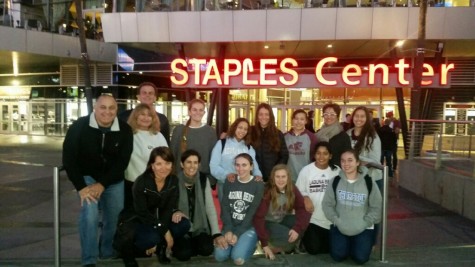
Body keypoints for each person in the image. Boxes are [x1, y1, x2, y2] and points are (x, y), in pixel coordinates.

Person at [62, 93, 133, 267]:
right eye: (103, 107)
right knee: (90, 215)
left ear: (117, 109)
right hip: (86, 177)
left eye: (111, 108)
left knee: (113, 219)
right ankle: (89, 260)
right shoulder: (79, 126)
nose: (107, 112)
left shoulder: (124, 130)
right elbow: (69, 158)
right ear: (95, 108)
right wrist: (81, 187)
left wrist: (103, 184)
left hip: (113, 180)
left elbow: (122, 162)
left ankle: (106, 251)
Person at [120, 147, 190, 267]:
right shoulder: (141, 182)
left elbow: (169, 209)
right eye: (159, 164)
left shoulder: (173, 181)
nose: (164, 168)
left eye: (167, 163)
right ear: (152, 165)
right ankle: (137, 250)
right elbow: (142, 213)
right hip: (141, 220)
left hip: (160, 219)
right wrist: (165, 232)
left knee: (183, 224)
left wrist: (163, 229)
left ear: (172, 164)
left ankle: (160, 246)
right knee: (151, 238)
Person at [322, 149, 382, 265]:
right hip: (341, 226)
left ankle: (357, 245)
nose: (346, 164)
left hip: (362, 227)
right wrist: (336, 220)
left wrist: (366, 222)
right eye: (343, 161)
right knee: (337, 256)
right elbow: (327, 204)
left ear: (357, 162)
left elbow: (376, 206)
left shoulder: (368, 182)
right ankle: (347, 245)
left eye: (350, 160)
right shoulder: (335, 181)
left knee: (361, 258)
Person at [170, 149, 226, 261]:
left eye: (195, 162)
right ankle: (183, 245)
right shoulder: (173, 180)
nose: (192, 166)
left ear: (199, 165)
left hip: (199, 228)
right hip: (181, 228)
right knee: (184, 254)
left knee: (207, 250)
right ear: (182, 164)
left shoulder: (203, 180)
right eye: (188, 162)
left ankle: (190, 245)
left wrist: (216, 233)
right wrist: (175, 210)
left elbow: (210, 207)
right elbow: (168, 205)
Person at [214, 153, 264, 265]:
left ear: (251, 167)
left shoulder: (258, 184)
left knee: (237, 257)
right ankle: (237, 245)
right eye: (237, 165)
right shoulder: (230, 181)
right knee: (219, 256)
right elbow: (225, 207)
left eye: (244, 165)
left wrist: (237, 233)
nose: (240, 169)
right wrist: (228, 230)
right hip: (231, 224)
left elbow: (253, 212)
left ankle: (250, 244)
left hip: (248, 227)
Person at [253, 164, 311, 260]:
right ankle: (273, 247)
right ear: (273, 178)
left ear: (288, 177)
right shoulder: (266, 191)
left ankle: (287, 248)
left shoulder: (292, 188)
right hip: (267, 222)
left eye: (283, 176)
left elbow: (302, 209)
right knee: (288, 236)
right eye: (277, 177)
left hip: (281, 219)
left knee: (304, 222)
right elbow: (258, 218)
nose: (281, 180)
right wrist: (264, 243)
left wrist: (297, 228)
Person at [296, 141, 340, 255]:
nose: (321, 157)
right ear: (314, 155)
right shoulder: (306, 171)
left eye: (325, 153)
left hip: (332, 220)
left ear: (330, 156)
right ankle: (303, 240)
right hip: (313, 220)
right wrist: (305, 197)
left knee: (334, 251)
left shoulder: (337, 171)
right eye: (318, 153)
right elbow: (298, 191)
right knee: (314, 249)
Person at [124, 103, 168, 210]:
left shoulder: (158, 135)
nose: (146, 118)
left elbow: (167, 158)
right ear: (135, 117)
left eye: (149, 115)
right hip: (133, 184)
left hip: (156, 184)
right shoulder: (128, 135)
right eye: (142, 114)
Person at [210, 118, 263, 200]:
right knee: (226, 212)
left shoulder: (248, 147)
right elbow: (213, 166)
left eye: (245, 129)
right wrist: (227, 175)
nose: (242, 131)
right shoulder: (221, 144)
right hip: (225, 185)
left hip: (244, 186)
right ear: (234, 127)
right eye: (240, 127)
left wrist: (258, 175)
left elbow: (254, 165)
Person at [170, 99, 217, 184]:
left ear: (204, 113)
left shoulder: (210, 132)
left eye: (201, 110)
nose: (197, 112)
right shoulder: (179, 130)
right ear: (189, 112)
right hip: (181, 178)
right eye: (194, 109)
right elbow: (173, 154)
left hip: (203, 178)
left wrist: (211, 179)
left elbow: (214, 157)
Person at [250, 103, 288, 182]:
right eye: (261, 114)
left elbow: (284, 156)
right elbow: (238, 135)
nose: (264, 117)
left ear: (271, 116)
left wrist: (275, 172)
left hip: (272, 179)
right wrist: (227, 135)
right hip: (254, 177)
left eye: (266, 114)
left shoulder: (278, 134)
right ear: (257, 116)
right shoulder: (250, 131)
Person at [346, 106, 382, 187]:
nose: (359, 119)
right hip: (353, 177)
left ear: (367, 119)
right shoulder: (347, 134)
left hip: (371, 178)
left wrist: (355, 159)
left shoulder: (373, 137)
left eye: (362, 116)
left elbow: (375, 161)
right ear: (353, 117)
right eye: (356, 116)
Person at [285, 109, 318, 183]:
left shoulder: (311, 137)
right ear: (292, 120)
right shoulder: (285, 137)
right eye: (296, 119)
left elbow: (314, 158)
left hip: (306, 177)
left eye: (302, 119)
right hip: (288, 177)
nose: (298, 122)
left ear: (306, 121)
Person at [316, 103, 352, 168]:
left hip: (336, 171)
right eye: (326, 114)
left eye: (332, 114)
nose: (329, 117)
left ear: (337, 116)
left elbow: (347, 157)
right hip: (319, 171)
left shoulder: (343, 136)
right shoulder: (318, 133)